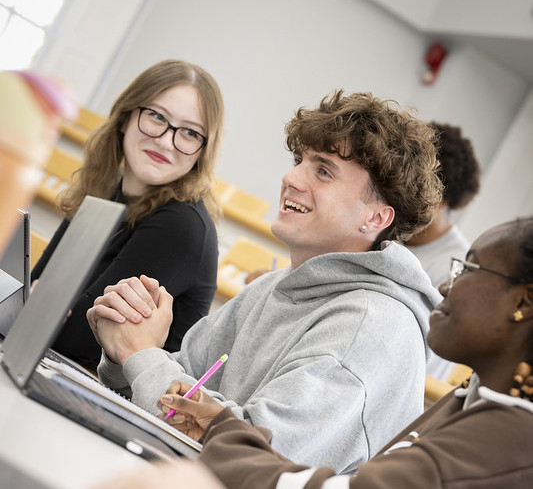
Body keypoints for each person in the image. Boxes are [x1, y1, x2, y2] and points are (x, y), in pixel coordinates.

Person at [87, 90, 443, 474]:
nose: (291, 178)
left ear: (375, 219)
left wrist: (141, 355)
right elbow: (165, 385)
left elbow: (254, 462)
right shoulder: (276, 285)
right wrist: (124, 351)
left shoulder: (371, 328)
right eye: (299, 161)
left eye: (323, 171)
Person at [93, 216, 533, 489]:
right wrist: (128, 360)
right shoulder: (467, 405)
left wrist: (214, 425)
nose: (445, 284)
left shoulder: (512, 439)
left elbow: (309, 484)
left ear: (523, 303)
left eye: (469, 268)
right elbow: (171, 390)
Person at [32, 59, 224, 371]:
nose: (166, 140)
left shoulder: (181, 226)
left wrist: (44, 304)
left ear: (202, 150)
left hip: (103, 399)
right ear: (126, 117)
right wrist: (41, 303)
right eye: (157, 116)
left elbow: (77, 338)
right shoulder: (104, 188)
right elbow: (33, 288)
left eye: (189, 133)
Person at [405, 121, 481, 381]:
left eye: (414, 186)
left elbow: (417, 350)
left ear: (440, 198)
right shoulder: (391, 232)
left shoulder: (458, 266)